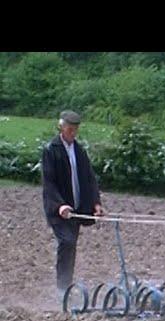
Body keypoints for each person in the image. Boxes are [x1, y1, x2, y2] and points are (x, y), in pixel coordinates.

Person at [41, 110, 105, 302]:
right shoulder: (51, 150)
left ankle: (66, 287)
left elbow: (89, 179)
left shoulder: (79, 151)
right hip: (57, 210)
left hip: (76, 210)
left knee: (71, 246)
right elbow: (49, 182)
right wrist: (60, 206)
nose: (73, 133)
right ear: (61, 127)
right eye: (70, 129)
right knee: (66, 242)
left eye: (75, 130)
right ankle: (62, 289)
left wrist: (96, 203)